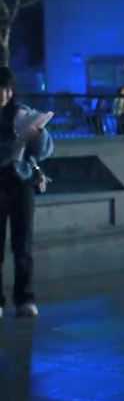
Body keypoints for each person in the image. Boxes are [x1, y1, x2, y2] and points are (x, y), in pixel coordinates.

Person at [0, 68, 54, 319]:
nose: (3, 94)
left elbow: (44, 150)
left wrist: (38, 134)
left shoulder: (21, 113)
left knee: (23, 245)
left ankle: (25, 298)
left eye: (7, 89)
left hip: (20, 183)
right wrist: (15, 144)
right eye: (0, 89)